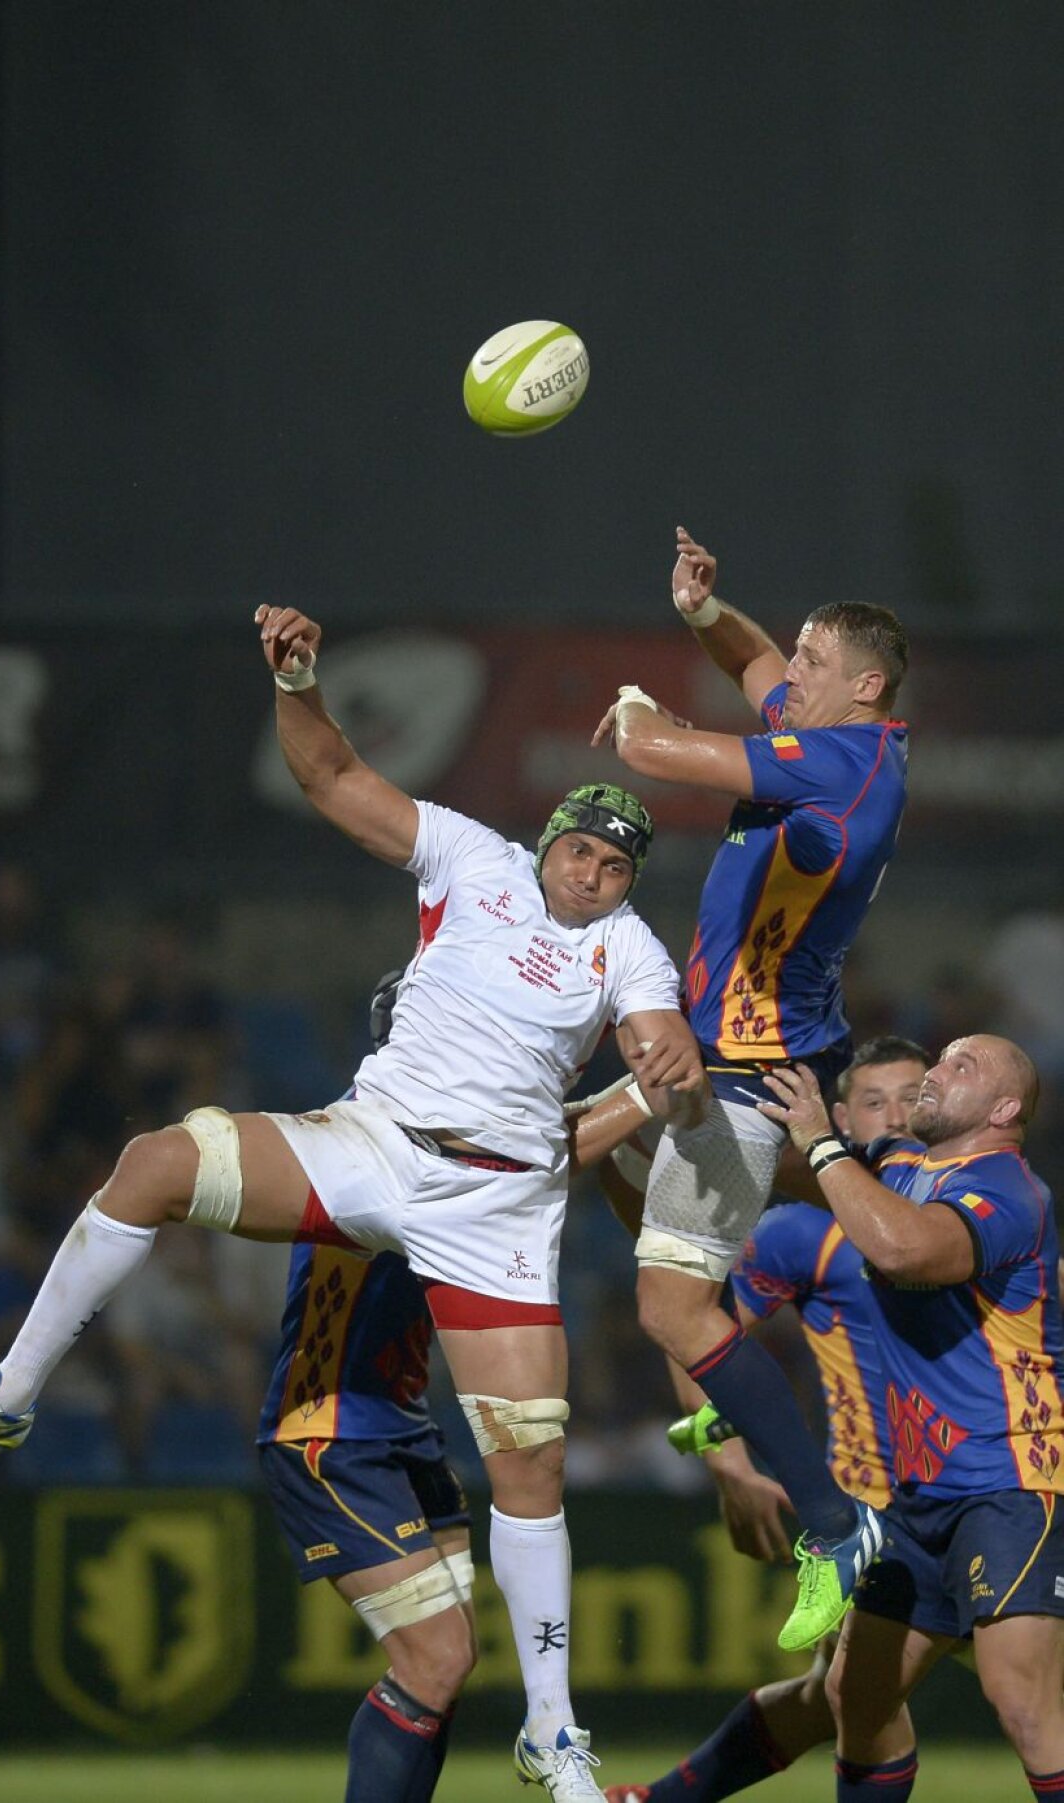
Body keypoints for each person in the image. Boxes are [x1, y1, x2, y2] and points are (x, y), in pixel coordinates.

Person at [0, 604, 705, 1803]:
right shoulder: (472, 858)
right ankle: (10, 1392)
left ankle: (552, 1729)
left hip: (494, 1205)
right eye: (580, 850)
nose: (592, 874)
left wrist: (670, 1063)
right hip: (376, 1144)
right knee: (155, 1161)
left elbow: (655, 1034)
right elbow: (329, 777)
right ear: (548, 842)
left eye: (616, 865)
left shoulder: (628, 946)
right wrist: (300, 682)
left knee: (530, 1467)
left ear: (630, 881)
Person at [593, 526, 909, 1650]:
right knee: (627, 1181)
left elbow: (655, 753)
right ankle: (737, 1396)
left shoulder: (839, 763)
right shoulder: (836, 737)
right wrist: (702, 614)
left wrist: (637, 711)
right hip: (763, 1050)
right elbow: (756, 664)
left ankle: (832, 1522)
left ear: (864, 687)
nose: (794, 673)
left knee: (669, 1305)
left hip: (746, 1066)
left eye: (817, 662)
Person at [262, 969, 659, 1803]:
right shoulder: (368, 1138)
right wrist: (646, 1088)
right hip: (328, 1431)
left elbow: (525, 1151)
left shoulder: (448, 1133)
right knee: (436, 1657)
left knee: (443, 1666)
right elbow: (533, 1162)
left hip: (401, 1429)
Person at [603, 1034, 931, 1803]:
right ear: (840, 1118)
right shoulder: (802, 1233)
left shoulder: (980, 1205)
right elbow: (691, 1326)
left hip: (997, 1497)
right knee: (849, 1697)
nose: (895, 1116)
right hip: (876, 1509)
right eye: (874, 1101)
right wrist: (730, 1465)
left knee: (845, 1697)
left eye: (912, 1097)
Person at [755, 1035, 1064, 1801]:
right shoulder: (899, 1162)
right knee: (856, 1697)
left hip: (1010, 1476)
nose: (935, 1072)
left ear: (1004, 1108)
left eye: (962, 1066)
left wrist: (822, 1144)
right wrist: (679, 1135)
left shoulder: (1009, 1192)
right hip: (919, 1493)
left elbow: (903, 1249)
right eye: (942, 1058)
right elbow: (789, 1168)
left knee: (1022, 1700)